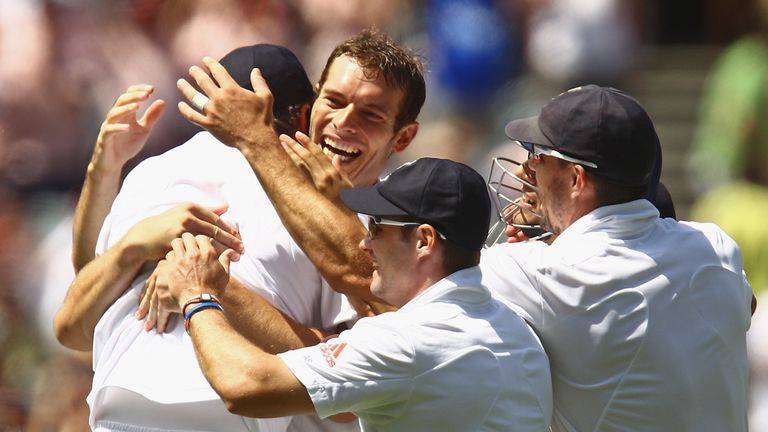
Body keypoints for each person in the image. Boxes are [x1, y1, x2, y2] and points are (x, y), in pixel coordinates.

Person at [54, 43, 340, 432]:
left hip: (118, 410)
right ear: (304, 114)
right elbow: (347, 382)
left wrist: (111, 192)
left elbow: (76, 323)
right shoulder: (318, 197)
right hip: (232, 410)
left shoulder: (148, 176)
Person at [157, 157, 553, 431]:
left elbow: (246, 387)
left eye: (377, 228)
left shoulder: (407, 341)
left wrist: (197, 295)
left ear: (424, 240)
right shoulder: (517, 328)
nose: (365, 244)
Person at [480, 85, 753, 431]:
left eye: (538, 157)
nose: (524, 172)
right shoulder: (715, 247)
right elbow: (747, 304)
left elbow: (419, 287)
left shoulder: (537, 272)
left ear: (577, 179)